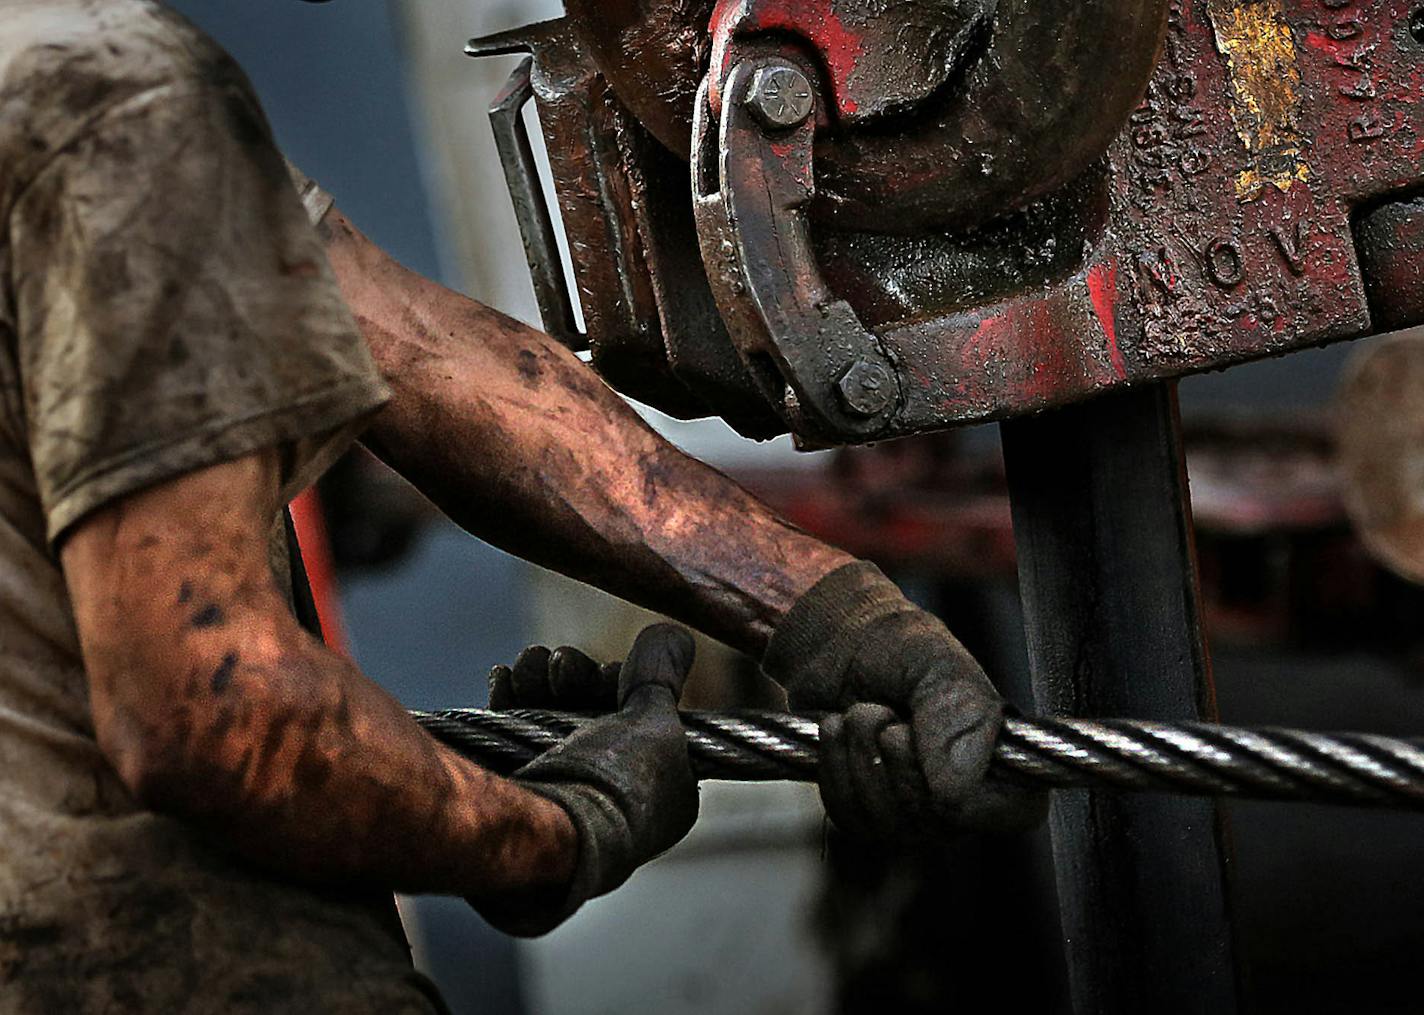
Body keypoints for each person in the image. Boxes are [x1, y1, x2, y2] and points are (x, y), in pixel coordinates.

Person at [0, 0, 1041, 1009]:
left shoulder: (58, 86)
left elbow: (417, 354)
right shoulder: (111, 100)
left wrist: (827, 611)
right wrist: (543, 833)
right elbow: (209, 716)